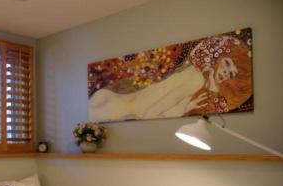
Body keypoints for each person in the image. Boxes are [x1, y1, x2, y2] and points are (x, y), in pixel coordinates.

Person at [88, 33, 252, 122]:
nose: (225, 73)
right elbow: (149, 114)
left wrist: (186, 110)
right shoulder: (197, 78)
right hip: (121, 109)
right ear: (219, 57)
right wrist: (185, 111)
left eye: (231, 74)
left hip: (119, 103)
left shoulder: (197, 75)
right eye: (227, 64)